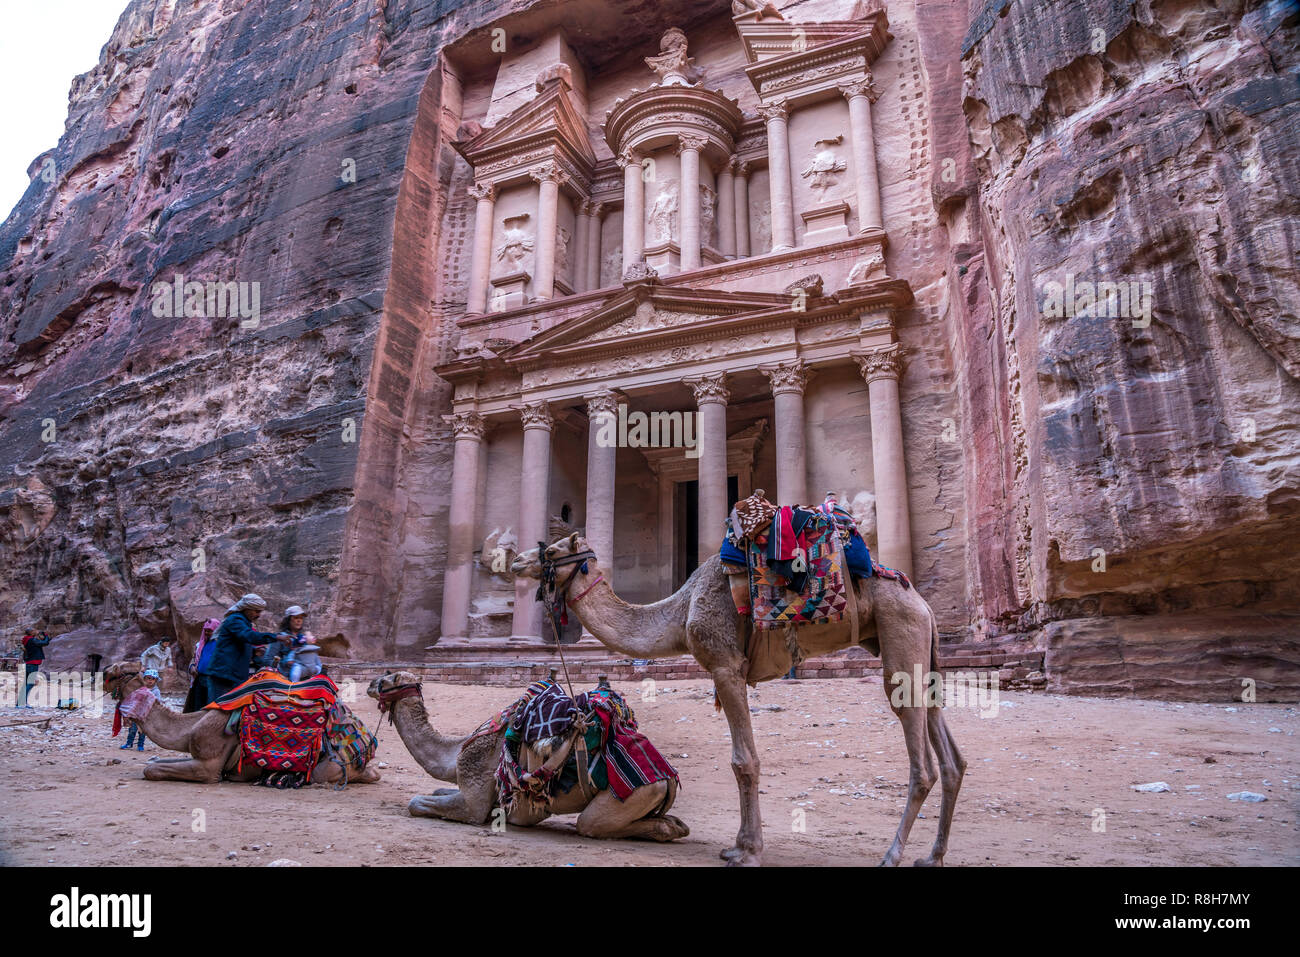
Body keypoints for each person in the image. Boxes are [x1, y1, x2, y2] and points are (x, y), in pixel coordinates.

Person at [205, 594, 280, 703]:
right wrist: (276, 637)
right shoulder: (235, 620)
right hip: (224, 675)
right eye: (256, 611)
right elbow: (249, 636)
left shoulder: (244, 623)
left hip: (233, 676)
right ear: (246, 608)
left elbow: (238, 644)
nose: (258, 615)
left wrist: (254, 652)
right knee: (217, 710)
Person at [183, 618, 221, 712]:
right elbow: (194, 658)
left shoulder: (221, 645)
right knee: (198, 706)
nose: (207, 633)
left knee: (210, 705)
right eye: (206, 630)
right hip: (200, 679)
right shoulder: (200, 645)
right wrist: (192, 667)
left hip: (213, 680)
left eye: (210, 631)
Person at [120, 670, 161, 751]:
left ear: (155, 680)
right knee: (132, 729)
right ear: (144, 679)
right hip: (136, 713)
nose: (150, 680)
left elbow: (158, 701)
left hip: (146, 714)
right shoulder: (140, 689)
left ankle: (140, 744)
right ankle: (129, 743)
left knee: (142, 730)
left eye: (152, 679)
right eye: (148, 678)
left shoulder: (156, 691)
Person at [19, 627, 52, 708]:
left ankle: (19, 703)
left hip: (29, 663)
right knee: (30, 683)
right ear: (31, 632)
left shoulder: (27, 639)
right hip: (33, 663)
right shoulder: (32, 640)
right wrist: (46, 635)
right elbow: (45, 643)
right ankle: (22, 703)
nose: (36, 631)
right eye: (34, 630)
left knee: (26, 683)